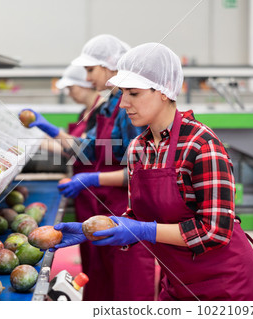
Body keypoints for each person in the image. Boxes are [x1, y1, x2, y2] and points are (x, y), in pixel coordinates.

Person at [53, 42, 253, 301]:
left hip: (227, 287)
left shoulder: (201, 145)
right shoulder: (138, 148)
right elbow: (137, 215)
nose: (123, 103)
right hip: (176, 284)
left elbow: (215, 231)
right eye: (122, 93)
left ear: (164, 92)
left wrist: (143, 230)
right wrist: (94, 229)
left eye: (133, 93)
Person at [22, 34, 155, 301]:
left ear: (110, 66)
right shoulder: (108, 106)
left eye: (90, 69)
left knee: (128, 291)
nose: (87, 77)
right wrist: (47, 129)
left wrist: (92, 179)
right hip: (104, 208)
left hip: (127, 210)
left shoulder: (128, 108)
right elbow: (92, 148)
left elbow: (141, 172)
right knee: (102, 284)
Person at [55, 64, 103, 139]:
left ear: (85, 85)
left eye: (71, 89)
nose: (69, 94)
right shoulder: (84, 112)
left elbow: (82, 145)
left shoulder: (102, 111)